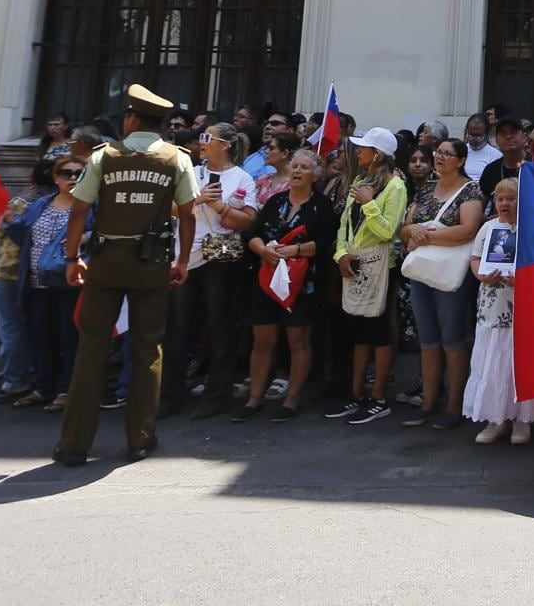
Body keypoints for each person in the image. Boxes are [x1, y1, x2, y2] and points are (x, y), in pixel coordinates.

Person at [53, 85, 198, 467]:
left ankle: (73, 445)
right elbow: (189, 213)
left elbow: (79, 209)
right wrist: (182, 260)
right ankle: (140, 439)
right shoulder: (176, 159)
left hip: (105, 261)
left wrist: (71, 258)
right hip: (152, 264)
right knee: (148, 349)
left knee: (91, 351)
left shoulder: (105, 156)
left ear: (132, 118)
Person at [234, 148, 339, 423]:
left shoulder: (321, 205)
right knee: (262, 341)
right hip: (268, 278)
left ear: (315, 175)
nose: (297, 171)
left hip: (302, 283)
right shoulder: (275, 201)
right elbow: (253, 233)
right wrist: (262, 250)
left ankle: (292, 398)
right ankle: (254, 398)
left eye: (304, 167)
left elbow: (324, 242)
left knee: (297, 341)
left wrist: (292, 251)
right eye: (295, 166)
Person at [169, 123, 258, 420]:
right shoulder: (191, 172)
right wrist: (197, 199)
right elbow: (168, 207)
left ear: (226, 145)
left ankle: (217, 395)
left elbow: (247, 222)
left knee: (220, 326)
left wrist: (218, 206)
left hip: (221, 258)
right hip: (186, 256)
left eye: (208, 138)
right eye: (202, 138)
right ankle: (169, 395)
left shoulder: (243, 177)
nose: (201, 142)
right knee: (179, 327)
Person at [398, 138, 484, 429]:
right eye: (439, 153)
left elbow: (468, 229)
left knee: (452, 339)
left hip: (450, 272)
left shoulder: (471, 189)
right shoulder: (424, 189)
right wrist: (414, 230)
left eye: (448, 154)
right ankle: (427, 403)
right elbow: (405, 228)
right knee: (428, 339)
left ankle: (454, 406)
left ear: (461, 160)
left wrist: (427, 235)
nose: (440, 157)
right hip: (422, 271)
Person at [327, 128, 409, 426]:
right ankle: (356, 393)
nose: (357, 152)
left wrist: (369, 203)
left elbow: (389, 232)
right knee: (358, 333)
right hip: (354, 264)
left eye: (364, 149)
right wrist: (340, 255)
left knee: (378, 333)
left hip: (380, 267)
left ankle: (377, 398)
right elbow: (344, 225)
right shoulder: (360, 182)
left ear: (377, 155)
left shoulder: (396, 186)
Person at [464, 178, 534, 443]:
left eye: (511, 198)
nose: (505, 203)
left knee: (519, 364)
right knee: (493, 363)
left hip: (524, 309)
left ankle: (522, 421)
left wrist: (523, 280)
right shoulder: (488, 228)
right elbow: (475, 257)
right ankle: (495, 419)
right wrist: (481, 275)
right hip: (493, 307)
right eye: (500, 198)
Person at [11, 155, 84, 412]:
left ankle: (66, 390)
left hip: (69, 284)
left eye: (79, 173)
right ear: (55, 178)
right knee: (41, 337)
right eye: (67, 173)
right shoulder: (41, 204)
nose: (73, 178)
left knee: (69, 338)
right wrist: (10, 221)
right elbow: (23, 235)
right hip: (37, 282)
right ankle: (43, 387)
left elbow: (100, 236)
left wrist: (85, 238)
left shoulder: (88, 207)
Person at [0, 159, 41, 404]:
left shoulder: (21, 203)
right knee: (32, 326)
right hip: (40, 273)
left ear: (32, 179)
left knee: (12, 327)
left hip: (10, 271)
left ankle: (15, 379)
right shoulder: (57, 203)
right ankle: (34, 373)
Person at [461, 114, 502, 181]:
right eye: (471, 135)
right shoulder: (460, 150)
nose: (474, 139)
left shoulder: (496, 155)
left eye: (479, 136)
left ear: (487, 134)